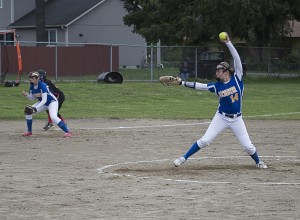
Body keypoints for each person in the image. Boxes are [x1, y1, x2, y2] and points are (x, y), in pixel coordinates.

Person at [174, 34, 267, 169]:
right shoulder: (217, 86)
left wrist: (228, 42)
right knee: (205, 140)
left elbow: (237, 59)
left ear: (226, 72)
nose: (216, 72)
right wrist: (182, 83)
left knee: (248, 146)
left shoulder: (237, 79)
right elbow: (200, 86)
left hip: (237, 119)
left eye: (219, 70)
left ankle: (258, 162)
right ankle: (183, 158)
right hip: (221, 117)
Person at [21, 71, 72, 138]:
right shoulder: (32, 86)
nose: (30, 79)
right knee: (28, 113)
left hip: (52, 102)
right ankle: (29, 132)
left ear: (37, 78)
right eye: (30, 78)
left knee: (53, 117)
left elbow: (44, 99)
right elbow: (32, 98)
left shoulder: (42, 85)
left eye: (32, 78)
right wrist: (27, 95)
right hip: (43, 103)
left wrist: (36, 108)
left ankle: (67, 132)